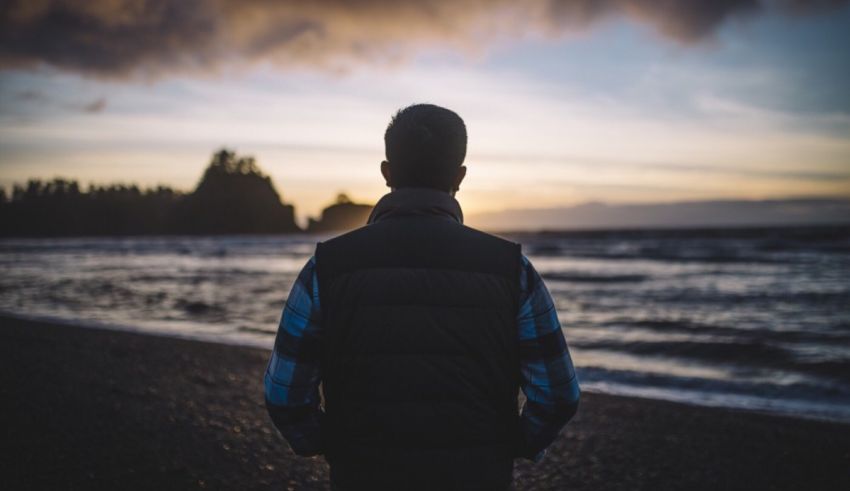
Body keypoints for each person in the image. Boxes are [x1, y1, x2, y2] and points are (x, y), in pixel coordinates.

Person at [264, 104, 580, 490]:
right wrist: (510, 445)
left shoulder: (328, 266)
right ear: (460, 177)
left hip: (363, 474)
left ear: (387, 173)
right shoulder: (512, 268)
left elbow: (284, 395)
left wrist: (327, 444)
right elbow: (559, 394)